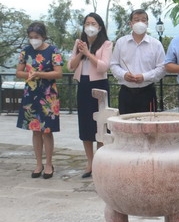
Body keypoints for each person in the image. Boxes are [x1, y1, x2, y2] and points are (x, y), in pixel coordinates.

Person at [16, 22, 63, 179]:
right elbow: (19, 72)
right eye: (30, 37)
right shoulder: (26, 51)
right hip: (31, 93)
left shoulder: (53, 50)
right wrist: (29, 75)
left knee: (47, 131)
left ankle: (49, 163)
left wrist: (39, 74)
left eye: (36, 37)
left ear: (43, 36)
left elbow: (58, 73)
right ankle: (38, 163)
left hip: (48, 95)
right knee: (35, 130)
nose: (33, 40)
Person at [67, 13, 112, 178]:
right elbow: (70, 66)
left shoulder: (106, 44)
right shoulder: (79, 43)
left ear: (99, 27)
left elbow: (103, 66)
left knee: (99, 124)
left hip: (99, 85)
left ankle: (100, 162)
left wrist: (88, 52)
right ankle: (89, 163)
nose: (90, 26)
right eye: (87, 23)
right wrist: (81, 52)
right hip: (83, 84)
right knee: (85, 124)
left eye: (93, 23)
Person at [110, 9, 166, 114]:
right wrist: (124, 74)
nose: (140, 22)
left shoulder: (156, 44)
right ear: (130, 23)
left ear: (147, 23)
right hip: (126, 92)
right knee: (125, 127)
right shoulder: (121, 43)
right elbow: (113, 64)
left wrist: (144, 77)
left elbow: (162, 68)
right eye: (136, 20)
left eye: (143, 20)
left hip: (147, 92)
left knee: (148, 127)